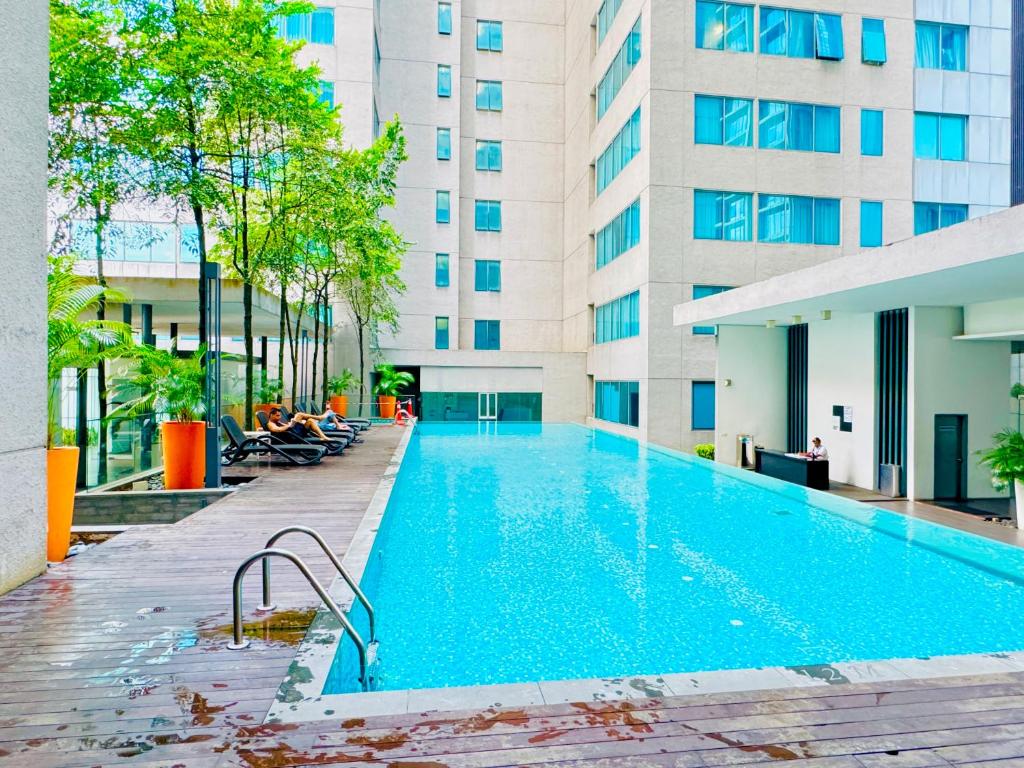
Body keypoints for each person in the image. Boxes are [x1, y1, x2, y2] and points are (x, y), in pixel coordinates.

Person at [266, 407, 332, 441]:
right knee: (299, 414)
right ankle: (319, 418)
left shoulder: (277, 422)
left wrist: (290, 423)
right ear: (271, 415)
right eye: (277, 415)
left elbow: (284, 426)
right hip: (292, 436)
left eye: (280, 415)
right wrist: (290, 425)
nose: (279, 417)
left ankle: (323, 437)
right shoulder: (270, 424)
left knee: (310, 421)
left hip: (294, 433)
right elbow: (278, 430)